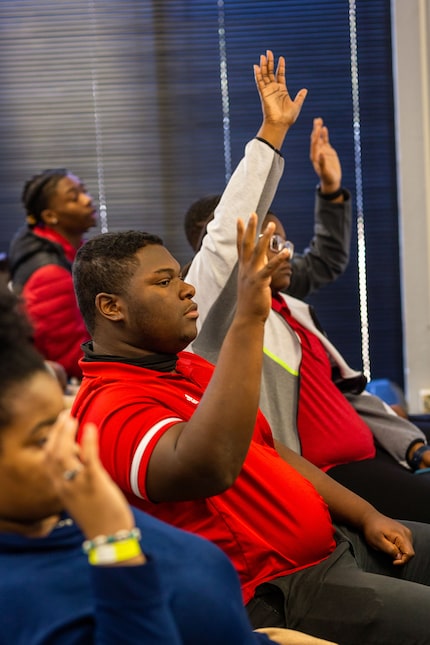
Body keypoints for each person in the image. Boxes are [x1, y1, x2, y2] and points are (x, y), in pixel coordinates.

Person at [0, 288, 337, 645]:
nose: (69, 448)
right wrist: (114, 544)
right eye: (41, 440)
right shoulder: (25, 589)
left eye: (62, 421)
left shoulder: (73, 508)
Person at [184, 51, 430, 524]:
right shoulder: (214, 316)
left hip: (375, 454)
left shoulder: (290, 306)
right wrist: (272, 132)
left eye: (281, 235)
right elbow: (222, 242)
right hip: (325, 475)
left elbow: (328, 265)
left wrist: (332, 192)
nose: (281, 248)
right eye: (266, 236)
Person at [183, 115, 350, 301]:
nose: (285, 253)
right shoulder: (202, 299)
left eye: (280, 242)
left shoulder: (276, 283)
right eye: (273, 242)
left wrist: (331, 189)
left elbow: (326, 260)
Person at [8, 168, 96, 380]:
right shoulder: (50, 274)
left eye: (83, 191)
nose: (87, 200)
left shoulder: (68, 253)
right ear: (50, 216)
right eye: (74, 197)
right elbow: (69, 358)